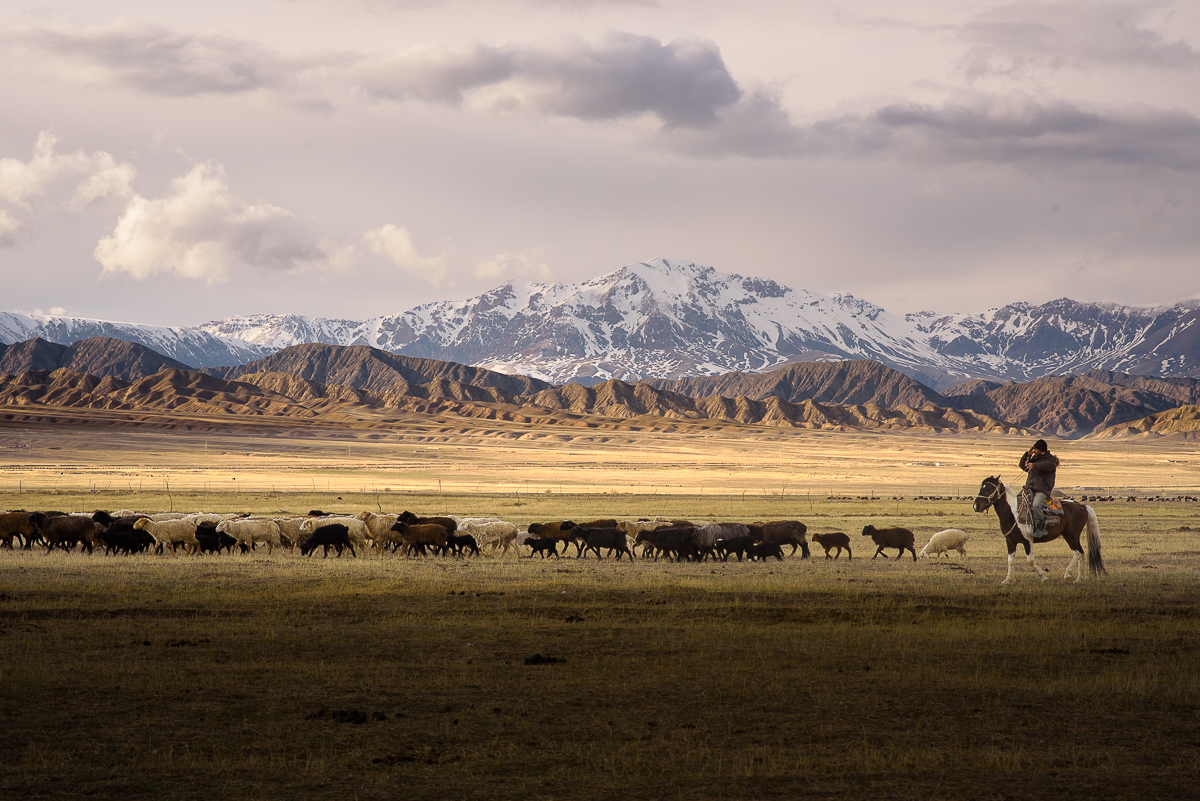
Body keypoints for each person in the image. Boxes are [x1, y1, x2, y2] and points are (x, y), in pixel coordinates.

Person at [1019, 439, 1058, 539]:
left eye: (1036, 449)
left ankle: (1041, 527)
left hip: (1042, 489)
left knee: (1036, 505)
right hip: (1030, 487)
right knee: (1018, 500)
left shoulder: (1049, 460)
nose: (1035, 451)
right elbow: (1022, 466)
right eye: (1034, 449)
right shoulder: (1034, 458)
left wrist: (1034, 465)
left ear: (1042, 450)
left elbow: (1046, 466)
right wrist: (1027, 455)